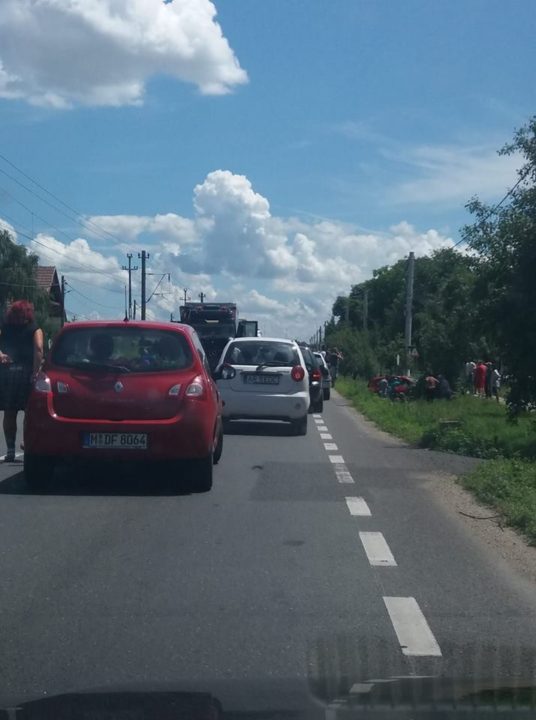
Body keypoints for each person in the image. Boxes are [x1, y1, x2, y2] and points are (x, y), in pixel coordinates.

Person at [0, 300, 44, 462]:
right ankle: (27, 442)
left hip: (7, 373)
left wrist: (1, 355)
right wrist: (36, 372)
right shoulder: (34, 328)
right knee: (29, 411)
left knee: (9, 412)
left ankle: (10, 450)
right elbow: (38, 349)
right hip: (27, 373)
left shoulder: (5, 326)